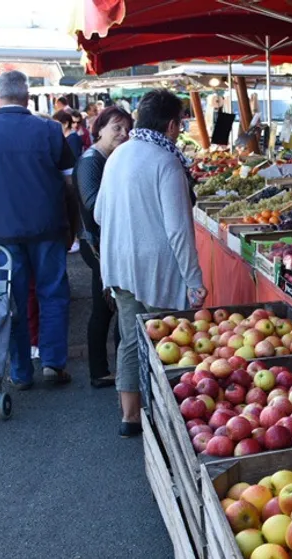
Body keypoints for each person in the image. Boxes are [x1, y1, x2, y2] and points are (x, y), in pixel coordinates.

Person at [96, 89, 207, 437]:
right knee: (170, 343)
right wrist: (193, 280)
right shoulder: (165, 160)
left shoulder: (117, 155)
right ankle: (168, 420)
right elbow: (178, 230)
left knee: (131, 339)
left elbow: (99, 212)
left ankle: (130, 417)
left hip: (118, 264)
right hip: (156, 269)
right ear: (172, 126)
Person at [0, 71, 77, 389]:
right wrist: (72, 225)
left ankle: (21, 372)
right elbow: (70, 182)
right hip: (49, 227)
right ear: (27, 98)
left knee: (12, 301)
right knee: (53, 295)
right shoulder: (51, 130)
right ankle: (53, 362)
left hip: (0, 234)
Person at [75, 106, 132, 389]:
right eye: (116, 128)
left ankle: (112, 369)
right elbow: (92, 203)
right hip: (96, 245)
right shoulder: (91, 161)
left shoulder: (110, 158)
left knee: (110, 306)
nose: (123, 134)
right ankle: (101, 371)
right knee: (106, 307)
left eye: (126, 129)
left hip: (105, 243)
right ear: (99, 129)